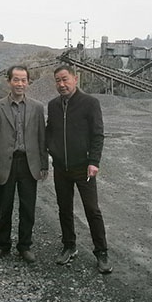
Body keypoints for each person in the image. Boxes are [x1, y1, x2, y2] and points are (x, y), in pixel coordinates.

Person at [46, 65, 112, 274]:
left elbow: (98, 134)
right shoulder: (53, 105)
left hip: (83, 168)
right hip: (61, 168)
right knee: (64, 208)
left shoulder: (90, 103)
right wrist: (51, 150)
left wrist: (94, 161)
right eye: (58, 80)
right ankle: (69, 246)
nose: (61, 84)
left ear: (75, 79)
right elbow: (49, 131)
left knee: (92, 210)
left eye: (65, 79)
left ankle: (101, 252)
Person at [0, 65, 48, 263]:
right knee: (5, 208)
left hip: (29, 164)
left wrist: (44, 164)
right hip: (6, 165)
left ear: (28, 82)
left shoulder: (37, 108)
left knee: (28, 208)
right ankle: (3, 246)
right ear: (9, 81)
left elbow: (42, 138)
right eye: (16, 80)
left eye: (23, 80)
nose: (20, 84)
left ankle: (24, 246)